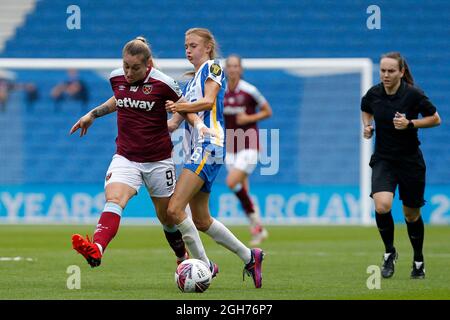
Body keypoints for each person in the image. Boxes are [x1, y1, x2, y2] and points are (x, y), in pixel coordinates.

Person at [69, 37, 209, 268]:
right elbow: (119, 99)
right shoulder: (116, 77)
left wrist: (196, 126)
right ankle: (97, 249)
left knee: (167, 218)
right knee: (114, 199)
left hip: (158, 160)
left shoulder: (163, 83)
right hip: (126, 157)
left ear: (148, 65)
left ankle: (182, 258)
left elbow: (184, 107)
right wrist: (92, 114)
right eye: (126, 66)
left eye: (135, 68)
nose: (128, 72)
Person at [165, 28, 265, 288]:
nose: (188, 50)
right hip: (200, 148)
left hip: (209, 144)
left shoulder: (214, 68)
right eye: (186, 45)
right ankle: (250, 256)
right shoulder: (189, 83)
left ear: (208, 47)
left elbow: (208, 101)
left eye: (194, 45)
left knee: (175, 209)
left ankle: (205, 267)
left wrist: (179, 106)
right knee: (200, 219)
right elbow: (173, 124)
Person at [361, 52, 441, 279]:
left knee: (411, 215)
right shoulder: (374, 93)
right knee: (382, 206)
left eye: (391, 71)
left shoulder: (414, 94)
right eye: (383, 70)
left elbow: (436, 118)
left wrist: (410, 123)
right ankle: (389, 253)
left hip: (410, 161)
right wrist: (368, 126)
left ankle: (418, 260)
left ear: (401, 72)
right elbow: (365, 107)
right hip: (384, 159)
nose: (385, 75)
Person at [223, 54, 272, 246]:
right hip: (231, 147)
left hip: (249, 145)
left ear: (240, 69)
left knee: (231, 181)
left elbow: (268, 111)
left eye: (236, 66)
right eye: (230, 66)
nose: (233, 69)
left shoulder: (249, 90)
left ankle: (256, 224)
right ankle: (257, 226)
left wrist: (249, 119)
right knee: (241, 188)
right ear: (226, 69)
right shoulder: (221, 92)